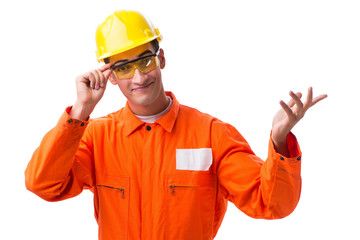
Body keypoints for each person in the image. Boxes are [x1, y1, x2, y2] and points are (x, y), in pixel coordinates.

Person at [25, 10, 327, 240]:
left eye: (145, 61)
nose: (140, 77)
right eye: (124, 67)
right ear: (110, 76)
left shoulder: (212, 135)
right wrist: (79, 113)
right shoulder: (96, 137)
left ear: (162, 59)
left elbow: (271, 203)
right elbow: (44, 185)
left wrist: (279, 141)